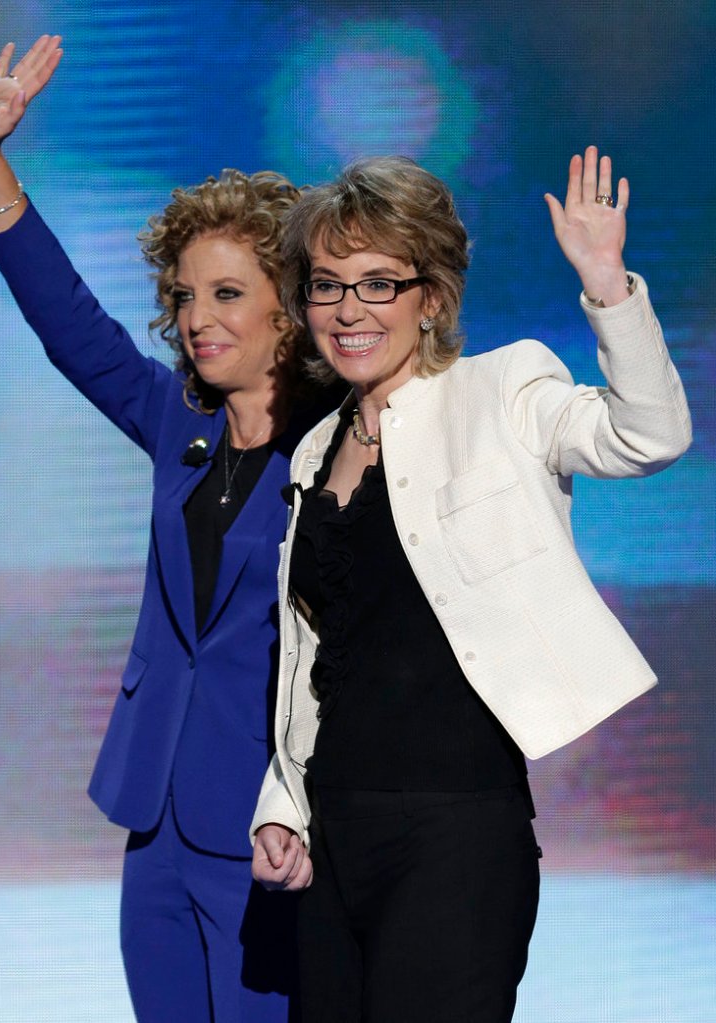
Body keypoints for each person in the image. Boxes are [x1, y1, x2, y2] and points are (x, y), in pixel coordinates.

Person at [250, 150, 692, 1021]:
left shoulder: (504, 389)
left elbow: (650, 436)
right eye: (328, 284)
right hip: (331, 832)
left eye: (379, 283)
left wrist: (608, 284)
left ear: (432, 296)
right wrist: (283, 806)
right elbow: (314, 655)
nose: (349, 309)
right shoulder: (312, 450)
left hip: (454, 828)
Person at [0, 34, 327, 1023]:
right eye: (183, 294)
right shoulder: (181, 423)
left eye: (226, 293)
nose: (196, 316)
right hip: (155, 816)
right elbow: (71, 327)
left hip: (266, 831)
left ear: (289, 310)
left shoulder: (345, 452)